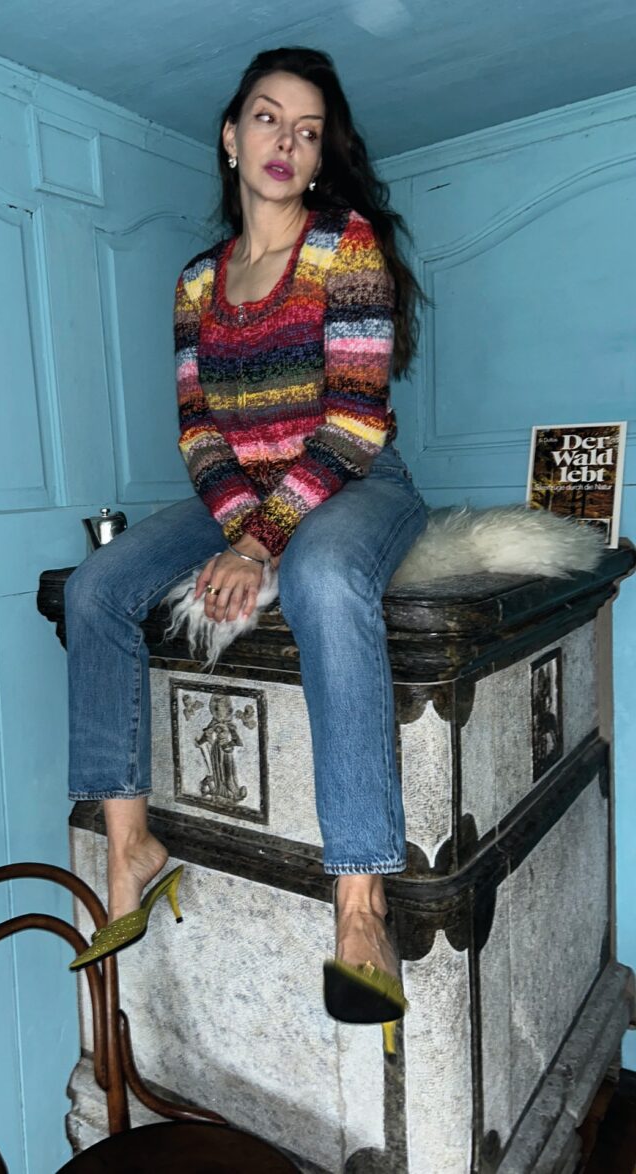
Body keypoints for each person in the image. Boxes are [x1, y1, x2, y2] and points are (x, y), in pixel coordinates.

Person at [65, 47, 427, 1048]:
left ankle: (362, 903)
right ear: (231, 137)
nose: (285, 142)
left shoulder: (345, 248)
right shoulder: (196, 282)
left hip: (353, 479)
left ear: (320, 157)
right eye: (268, 118)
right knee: (96, 588)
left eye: (308, 131)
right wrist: (241, 529)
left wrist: (265, 544)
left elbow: (353, 425)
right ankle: (131, 849)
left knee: (323, 574)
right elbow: (200, 435)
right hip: (237, 490)